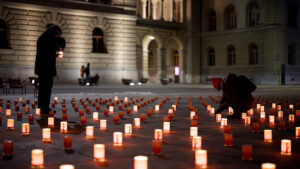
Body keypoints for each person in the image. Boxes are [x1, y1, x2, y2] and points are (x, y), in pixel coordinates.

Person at [34, 25, 66, 115]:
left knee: (44, 88)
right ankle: (44, 108)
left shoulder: (44, 38)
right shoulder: (47, 38)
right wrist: (61, 48)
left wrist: (55, 54)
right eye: (57, 35)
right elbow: (61, 41)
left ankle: (43, 107)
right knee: (46, 89)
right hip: (46, 69)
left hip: (43, 68)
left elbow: (47, 53)